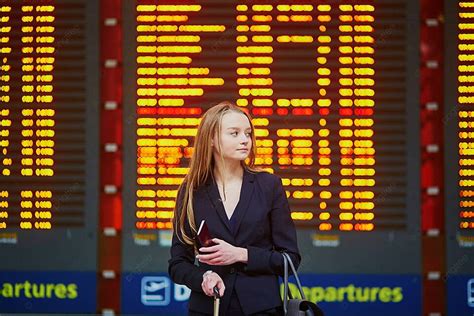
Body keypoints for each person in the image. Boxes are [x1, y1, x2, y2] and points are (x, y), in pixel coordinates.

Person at [168, 101, 300, 315]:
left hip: (261, 309)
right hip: (209, 308)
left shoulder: (269, 185)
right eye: (234, 133)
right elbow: (177, 264)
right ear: (211, 139)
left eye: (248, 133)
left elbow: (290, 258)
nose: (245, 140)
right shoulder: (191, 190)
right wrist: (202, 277)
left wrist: (241, 254)